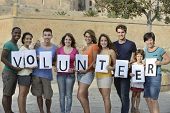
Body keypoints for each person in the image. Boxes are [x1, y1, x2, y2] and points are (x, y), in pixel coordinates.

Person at [31, 28, 57, 113]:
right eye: (45, 35)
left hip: (47, 75)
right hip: (36, 74)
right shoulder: (37, 46)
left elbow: (55, 61)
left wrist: (52, 64)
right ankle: (41, 111)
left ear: (51, 36)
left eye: (49, 35)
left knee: (48, 96)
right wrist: (37, 58)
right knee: (38, 95)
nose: (47, 37)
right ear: (43, 36)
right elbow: (31, 58)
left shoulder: (55, 48)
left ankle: (48, 111)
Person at [143, 32, 170, 113]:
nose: (149, 42)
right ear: (145, 41)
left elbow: (168, 60)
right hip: (146, 76)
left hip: (155, 76)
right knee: (147, 98)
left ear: (153, 40)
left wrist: (160, 63)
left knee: (153, 99)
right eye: (147, 40)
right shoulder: (144, 51)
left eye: (150, 40)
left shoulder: (160, 50)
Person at [113, 24, 137, 113]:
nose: (120, 34)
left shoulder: (131, 44)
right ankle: (127, 107)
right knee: (121, 95)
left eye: (122, 32)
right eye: (119, 32)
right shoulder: (113, 44)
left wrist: (129, 64)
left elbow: (133, 58)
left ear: (125, 32)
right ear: (117, 33)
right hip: (116, 73)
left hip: (126, 74)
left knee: (124, 95)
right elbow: (112, 58)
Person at [1, 27, 22, 113]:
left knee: (10, 94)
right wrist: (13, 67)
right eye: (15, 33)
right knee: (6, 94)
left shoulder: (16, 45)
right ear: (12, 33)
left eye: (19, 33)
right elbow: (2, 58)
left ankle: (9, 110)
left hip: (13, 73)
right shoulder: (8, 44)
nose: (17, 35)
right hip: (9, 72)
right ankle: (7, 111)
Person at [77, 29, 98, 113]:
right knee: (84, 95)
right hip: (80, 73)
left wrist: (86, 70)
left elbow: (94, 61)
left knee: (80, 94)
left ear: (92, 37)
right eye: (86, 36)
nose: (87, 38)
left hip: (88, 73)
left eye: (89, 36)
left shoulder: (94, 46)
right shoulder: (84, 47)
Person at [56, 33, 78, 113]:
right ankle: (62, 111)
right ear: (63, 40)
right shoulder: (59, 50)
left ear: (72, 41)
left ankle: (68, 111)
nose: (67, 41)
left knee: (69, 95)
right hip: (60, 75)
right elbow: (56, 62)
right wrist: (56, 68)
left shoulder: (75, 51)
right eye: (66, 39)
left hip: (70, 75)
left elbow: (78, 64)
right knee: (61, 95)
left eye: (69, 39)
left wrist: (74, 69)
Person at [96, 34, 116, 113]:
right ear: (99, 42)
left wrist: (111, 68)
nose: (103, 42)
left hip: (107, 76)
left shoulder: (111, 51)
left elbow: (115, 64)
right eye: (102, 40)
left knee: (106, 97)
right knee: (104, 97)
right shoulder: (98, 51)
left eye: (105, 40)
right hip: (98, 76)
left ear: (108, 41)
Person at [17, 32, 33, 113]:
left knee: (25, 94)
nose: (29, 40)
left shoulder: (29, 49)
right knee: (22, 94)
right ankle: (21, 111)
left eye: (30, 39)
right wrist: (29, 66)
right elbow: (19, 63)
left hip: (28, 74)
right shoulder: (22, 49)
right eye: (27, 38)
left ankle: (24, 111)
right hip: (23, 74)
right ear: (23, 39)